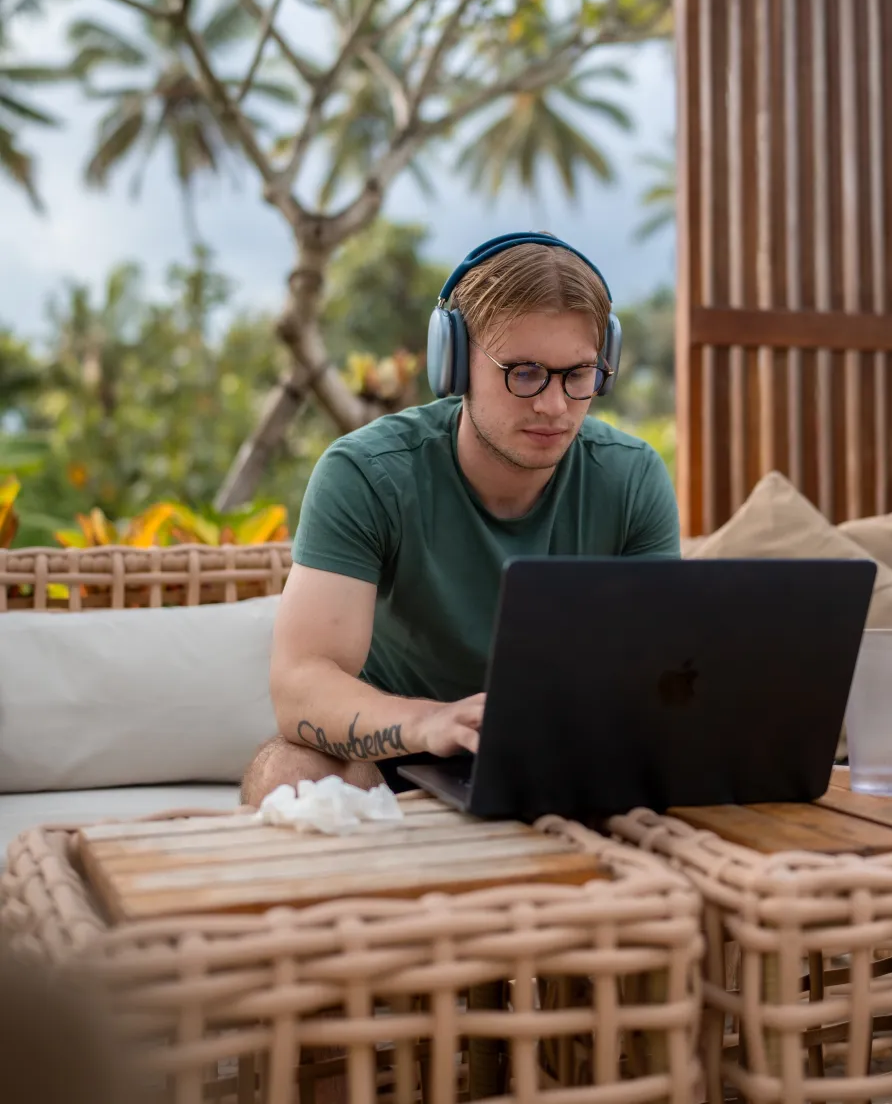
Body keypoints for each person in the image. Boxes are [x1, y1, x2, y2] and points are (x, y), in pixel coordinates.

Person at [241, 233, 680, 807]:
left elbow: (665, 678)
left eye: (579, 374)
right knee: (288, 774)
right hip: (392, 755)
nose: (554, 405)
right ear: (453, 363)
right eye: (524, 373)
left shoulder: (632, 478)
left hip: (564, 763)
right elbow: (301, 686)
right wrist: (432, 725)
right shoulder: (366, 474)